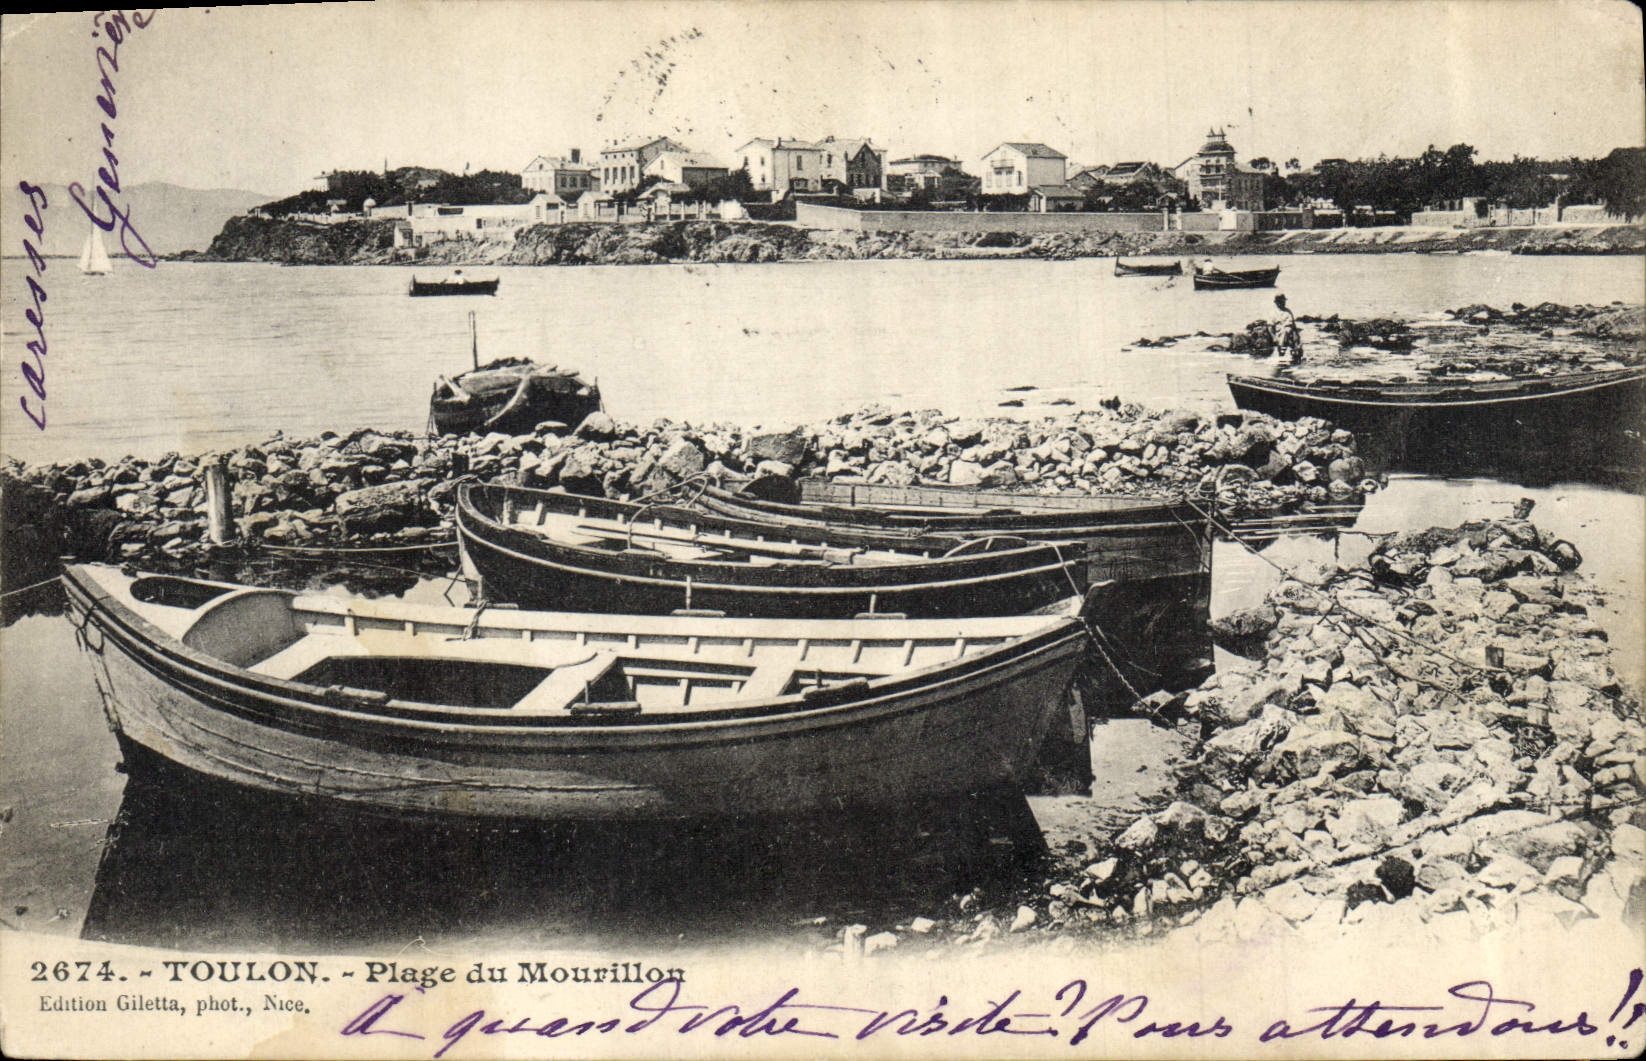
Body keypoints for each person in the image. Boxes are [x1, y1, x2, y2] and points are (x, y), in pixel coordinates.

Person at [1273, 293, 1303, 363]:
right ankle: (1282, 352)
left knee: (1295, 338)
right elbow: (1271, 327)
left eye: (1283, 301)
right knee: (1284, 333)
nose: (1283, 303)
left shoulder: (1288, 311)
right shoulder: (1274, 313)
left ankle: (1296, 355)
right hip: (1280, 332)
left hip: (1290, 331)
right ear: (1277, 303)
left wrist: (1297, 335)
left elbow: (1293, 324)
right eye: (1281, 302)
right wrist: (1274, 337)